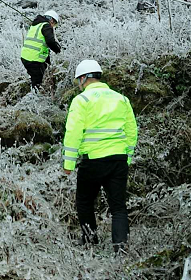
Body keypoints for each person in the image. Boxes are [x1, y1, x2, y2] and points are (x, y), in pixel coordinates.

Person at [62, 59, 138, 253]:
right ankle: (121, 248)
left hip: (93, 161)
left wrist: (68, 163)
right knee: (118, 207)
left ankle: (90, 240)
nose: (79, 84)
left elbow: (73, 132)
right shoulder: (121, 99)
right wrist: (127, 156)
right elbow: (131, 131)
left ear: (85, 78)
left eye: (79, 80)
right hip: (118, 160)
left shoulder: (82, 101)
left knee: (85, 202)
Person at [20, 10, 61, 89]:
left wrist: (48, 61)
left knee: (35, 78)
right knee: (38, 83)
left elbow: (41, 44)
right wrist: (57, 50)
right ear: (52, 20)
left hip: (25, 57)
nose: (53, 27)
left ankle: (34, 91)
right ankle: (35, 96)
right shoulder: (46, 26)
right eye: (54, 24)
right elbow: (50, 41)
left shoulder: (35, 25)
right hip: (34, 60)